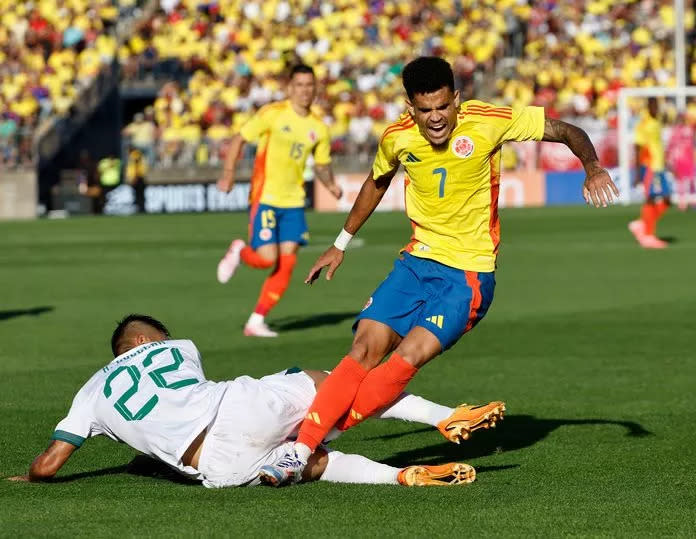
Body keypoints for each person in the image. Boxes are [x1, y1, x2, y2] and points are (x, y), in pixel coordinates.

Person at [261, 56, 618, 484]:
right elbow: (377, 182)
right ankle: (299, 452)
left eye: (443, 107)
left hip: (467, 276)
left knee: (404, 360)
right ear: (409, 107)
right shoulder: (397, 137)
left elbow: (565, 131)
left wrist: (592, 167)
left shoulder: (489, 119)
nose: (435, 119)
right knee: (362, 350)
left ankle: (316, 435)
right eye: (425, 110)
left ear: (457, 100)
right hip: (415, 263)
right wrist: (340, 244)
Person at [8, 314, 496, 488]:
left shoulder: (91, 392)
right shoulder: (178, 348)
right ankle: (444, 416)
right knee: (330, 382)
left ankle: (397, 476)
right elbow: (182, 399)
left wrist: (27, 475)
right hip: (235, 408)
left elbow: (49, 465)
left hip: (216, 467)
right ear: (142, 343)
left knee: (315, 463)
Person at [215, 64, 343, 338]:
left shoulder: (318, 128)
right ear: (289, 87)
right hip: (266, 197)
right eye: (299, 85)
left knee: (287, 264)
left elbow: (321, 164)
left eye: (310, 85)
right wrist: (228, 173)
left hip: (294, 203)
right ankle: (239, 251)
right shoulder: (273, 114)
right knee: (265, 259)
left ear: (315, 88)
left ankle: (256, 320)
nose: (305, 91)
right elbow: (239, 139)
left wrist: (331, 185)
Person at [628, 98, 671, 249]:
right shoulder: (643, 124)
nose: (656, 109)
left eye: (657, 106)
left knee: (667, 200)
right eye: (654, 106)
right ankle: (648, 236)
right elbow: (638, 148)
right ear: (648, 107)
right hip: (650, 167)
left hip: (659, 166)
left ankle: (641, 224)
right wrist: (638, 173)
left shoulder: (657, 120)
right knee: (651, 199)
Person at [666, 112, 696, 212]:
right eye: (679, 118)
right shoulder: (675, 131)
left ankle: (693, 201)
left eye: (682, 118)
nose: (681, 120)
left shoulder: (689, 129)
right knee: (681, 181)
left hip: (689, 158)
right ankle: (682, 203)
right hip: (679, 159)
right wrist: (669, 159)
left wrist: (689, 116)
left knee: (692, 181)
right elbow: (670, 146)